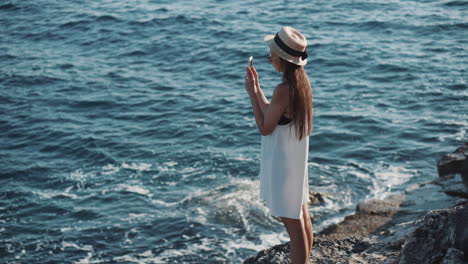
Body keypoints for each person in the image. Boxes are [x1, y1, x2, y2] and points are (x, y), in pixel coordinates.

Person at [244, 26, 313, 264]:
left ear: (283, 58)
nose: (269, 56)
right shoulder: (300, 84)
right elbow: (274, 113)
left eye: (272, 53)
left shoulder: (283, 89)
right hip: (294, 161)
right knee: (301, 215)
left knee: (294, 227)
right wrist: (257, 89)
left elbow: (265, 127)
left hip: (284, 164)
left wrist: (252, 96)